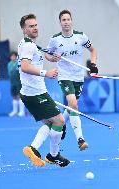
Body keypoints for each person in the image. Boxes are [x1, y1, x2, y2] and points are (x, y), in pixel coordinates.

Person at [19, 14, 70, 167]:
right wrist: (46, 73)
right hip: (35, 93)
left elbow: (39, 57)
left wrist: (53, 59)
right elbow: (25, 67)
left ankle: (35, 149)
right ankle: (51, 154)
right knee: (60, 121)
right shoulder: (28, 46)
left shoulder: (28, 44)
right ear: (23, 29)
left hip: (32, 92)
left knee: (50, 123)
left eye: (35, 25)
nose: (35, 28)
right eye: (30, 26)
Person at [45, 10, 98, 151]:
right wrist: (53, 58)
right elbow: (47, 55)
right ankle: (80, 139)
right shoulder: (55, 39)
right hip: (64, 75)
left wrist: (93, 65)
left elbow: (93, 50)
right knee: (73, 104)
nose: (66, 22)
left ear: (71, 21)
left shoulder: (81, 36)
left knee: (71, 106)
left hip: (78, 76)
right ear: (60, 22)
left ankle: (61, 125)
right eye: (63, 20)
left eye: (68, 19)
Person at [7, 51, 25, 117]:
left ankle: (21, 112)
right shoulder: (9, 64)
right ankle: (15, 111)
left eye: (14, 56)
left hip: (19, 83)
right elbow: (9, 73)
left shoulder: (19, 63)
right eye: (11, 56)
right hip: (12, 83)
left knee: (19, 96)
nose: (12, 57)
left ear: (16, 57)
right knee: (14, 96)